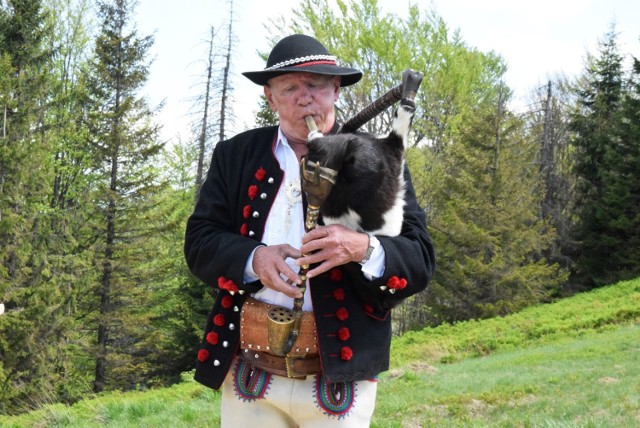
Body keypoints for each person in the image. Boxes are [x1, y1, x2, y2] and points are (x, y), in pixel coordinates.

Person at [184, 34, 435, 427]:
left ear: (335, 89)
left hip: (337, 386)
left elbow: (419, 258)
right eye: (290, 87)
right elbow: (200, 242)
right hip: (251, 380)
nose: (305, 98)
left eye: (316, 85)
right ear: (270, 97)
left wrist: (363, 247)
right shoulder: (235, 156)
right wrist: (254, 258)